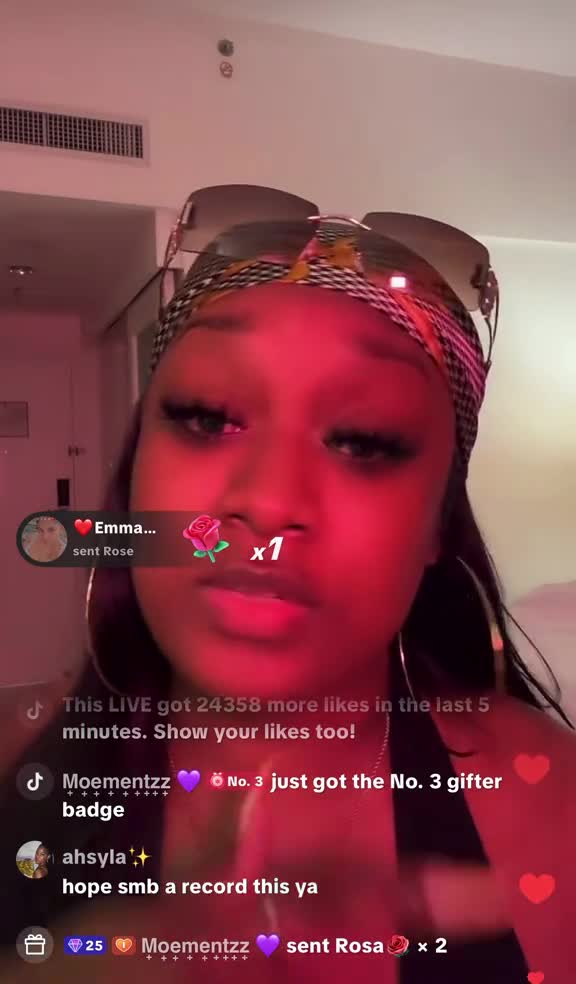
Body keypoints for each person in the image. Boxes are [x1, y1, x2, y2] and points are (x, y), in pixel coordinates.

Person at [2, 187, 575, 984]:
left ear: (438, 526)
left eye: (364, 440)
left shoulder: (553, 803)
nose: (269, 501)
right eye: (208, 416)